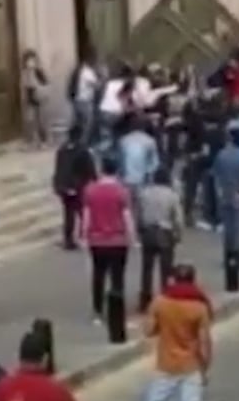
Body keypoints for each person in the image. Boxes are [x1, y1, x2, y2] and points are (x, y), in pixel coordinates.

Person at [134, 264, 213, 401]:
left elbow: (149, 330)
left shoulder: (160, 302)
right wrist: (205, 366)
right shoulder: (199, 307)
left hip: (166, 362)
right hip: (191, 363)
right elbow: (204, 341)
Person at [81, 156, 135, 324]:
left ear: (102, 169)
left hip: (97, 240)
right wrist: (131, 237)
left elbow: (86, 216)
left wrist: (84, 236)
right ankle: (117, 313)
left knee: (98, 275)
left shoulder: (90, 190)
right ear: (116, 170)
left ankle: (97, 311)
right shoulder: (122, 191)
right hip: (118, 240)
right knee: (117, 278)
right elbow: (127, 217)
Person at [138, 168, 182, 312]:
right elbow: (178, 218)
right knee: (166, 269)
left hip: (148, 232)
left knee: (147, 268)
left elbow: (139, 214)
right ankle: (166, 297)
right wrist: (178, 234)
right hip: (165, 232)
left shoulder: (144, 194)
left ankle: (145, 298)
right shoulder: (172, 195)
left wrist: (140, 230)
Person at [213, 128, 239, 270]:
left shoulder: (221, 155)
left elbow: (216, 174)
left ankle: (228, 256)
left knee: (228, 228)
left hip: (224, 194)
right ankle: (238, 257)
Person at [52, 127, 96, 250]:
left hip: (64, 186)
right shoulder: (82, 150)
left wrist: (58, 185)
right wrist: (94, 180)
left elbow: (59, 168)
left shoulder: (62, 150)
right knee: (82, 212)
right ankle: (85, 236)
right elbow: (89, 168)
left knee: (68, 214)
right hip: (78, 186)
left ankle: (68, 239)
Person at [118, 115, 159, 226]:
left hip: (126, 179)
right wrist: (150, 177)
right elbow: (154, 163)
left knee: (127, 205)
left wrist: (120, 177)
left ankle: (128, 226)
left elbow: (120, 162)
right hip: (142, 179)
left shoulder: (124, 140)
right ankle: (138, 225)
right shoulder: (150, 141)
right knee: (141, 205)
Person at [20, 50, 49, 147]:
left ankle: (43, 141)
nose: (30, 63)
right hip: (29, 97)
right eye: (28, 61)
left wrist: (40, 90)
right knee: (30, 120)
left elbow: (45, 84)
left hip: (38, 97)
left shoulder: (38, 72)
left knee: (41, 121)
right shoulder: (24, 73)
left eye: (32, 60)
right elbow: (24, 86)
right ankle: (32, 140)